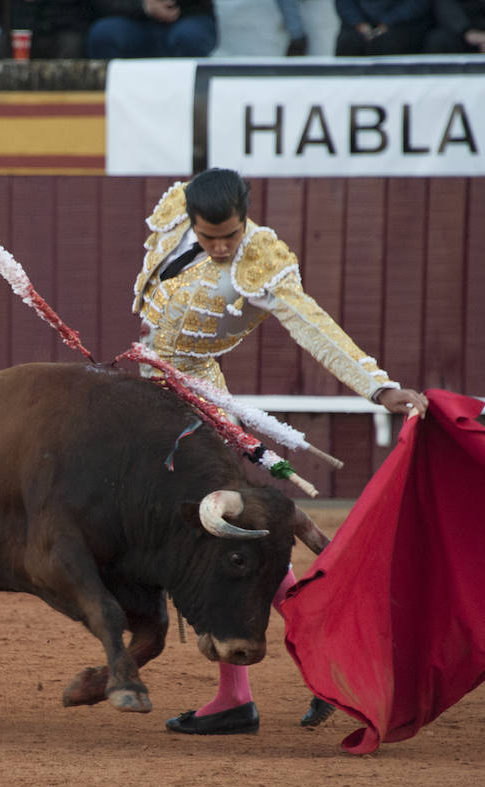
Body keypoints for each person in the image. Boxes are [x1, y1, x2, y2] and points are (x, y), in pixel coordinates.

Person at [130, 168, 427, 736]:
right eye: (210, 236)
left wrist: (378, 387)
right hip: (149, 397)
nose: (220, 247)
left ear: (246, 218)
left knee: (222, 539)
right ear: (191, 218)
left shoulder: (259, 259)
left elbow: (314, 327)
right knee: (219, 541)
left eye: (230, 236)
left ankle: (322, 671)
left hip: (194, 405)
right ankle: (248, 694)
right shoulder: (173, 218)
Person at [86, 0, 219, 58]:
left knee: (190, 38)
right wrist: (143, 6)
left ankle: (188, 101)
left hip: (189, 16)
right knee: (103, 35)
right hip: (134, 20)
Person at [334, 0, 434, 55]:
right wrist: (359, 23)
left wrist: (388, 23)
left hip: (403, 23)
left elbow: (418, 4)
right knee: (348, 42)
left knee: (388, 43)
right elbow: (345, 4)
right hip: (361, 23)